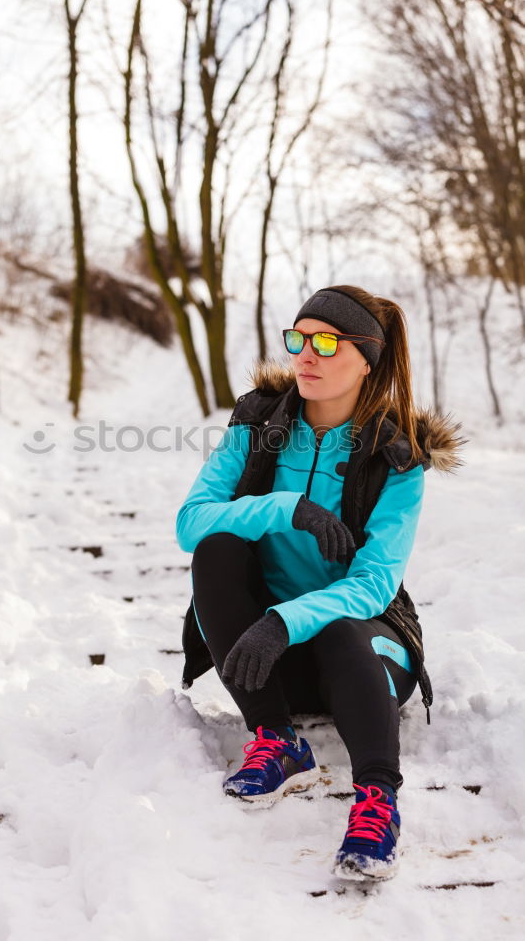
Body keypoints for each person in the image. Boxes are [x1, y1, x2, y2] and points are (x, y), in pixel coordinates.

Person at [175, 284, 465, 882]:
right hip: (266, 665)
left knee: (340, 626)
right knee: (217, 548)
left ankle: (378, 804)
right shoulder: (258, 420)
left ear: (367, 360)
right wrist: (287, 507)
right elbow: (191, 521)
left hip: (364, 663)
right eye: (299, 339)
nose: (305, 354)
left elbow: (374, 583)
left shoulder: (397, 456)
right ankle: (277, 740)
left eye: (327, 342)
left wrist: (286, 619)